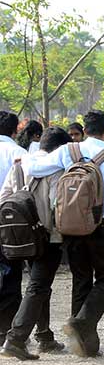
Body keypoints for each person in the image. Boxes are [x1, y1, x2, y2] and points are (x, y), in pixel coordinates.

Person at [24, 110, 104, 358]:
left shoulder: (68, 152)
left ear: (84, 130)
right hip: (101, 226)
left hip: (71, 226)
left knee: (81, 278)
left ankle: (84, 344)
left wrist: (26, 158)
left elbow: (36, 168)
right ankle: (81, 322)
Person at [1, 126, 72, 361]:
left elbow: (5, 197)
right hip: (47, 236)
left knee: (39, 284)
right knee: (38, 286)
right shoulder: (55, 168)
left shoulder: (20, 164)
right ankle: (16, 339)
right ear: (60, 149)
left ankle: (44, 336)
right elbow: (56, 205)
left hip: (20, 235)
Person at [0, 111, 29, 341]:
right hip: (10, 220)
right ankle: (5, 329)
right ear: (15, 130)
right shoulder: (19, 153)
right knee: (10, 272)